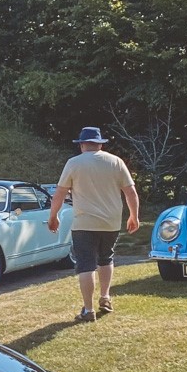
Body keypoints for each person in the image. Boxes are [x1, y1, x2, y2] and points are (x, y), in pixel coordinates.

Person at [48, 126, 140, 322]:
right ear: (100, 144)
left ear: (82, 145)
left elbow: (60, 193)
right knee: (106, 258)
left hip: (84, 223)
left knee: (86, 265)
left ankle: (88, 310)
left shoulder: (74, 163)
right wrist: (134, 216)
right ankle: (105, 297)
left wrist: (53, 216)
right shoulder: (115, 162)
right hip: (111, 222)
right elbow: (130, 192)